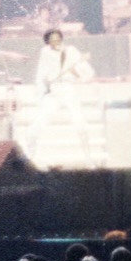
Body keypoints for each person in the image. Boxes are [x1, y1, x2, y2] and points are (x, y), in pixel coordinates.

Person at [25, 29, 94, 163]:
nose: (56, 42)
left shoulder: (71, 51)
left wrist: (79, 77)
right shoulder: (45, 53)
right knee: (37, 125)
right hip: (53, 92)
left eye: (58, 39)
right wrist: (41, 95)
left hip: (69, 90)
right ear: (47, 42)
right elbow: (40, 76)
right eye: (52, 40)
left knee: (80, 123)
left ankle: (88, 157)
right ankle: (30, 156)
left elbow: (89, 73)